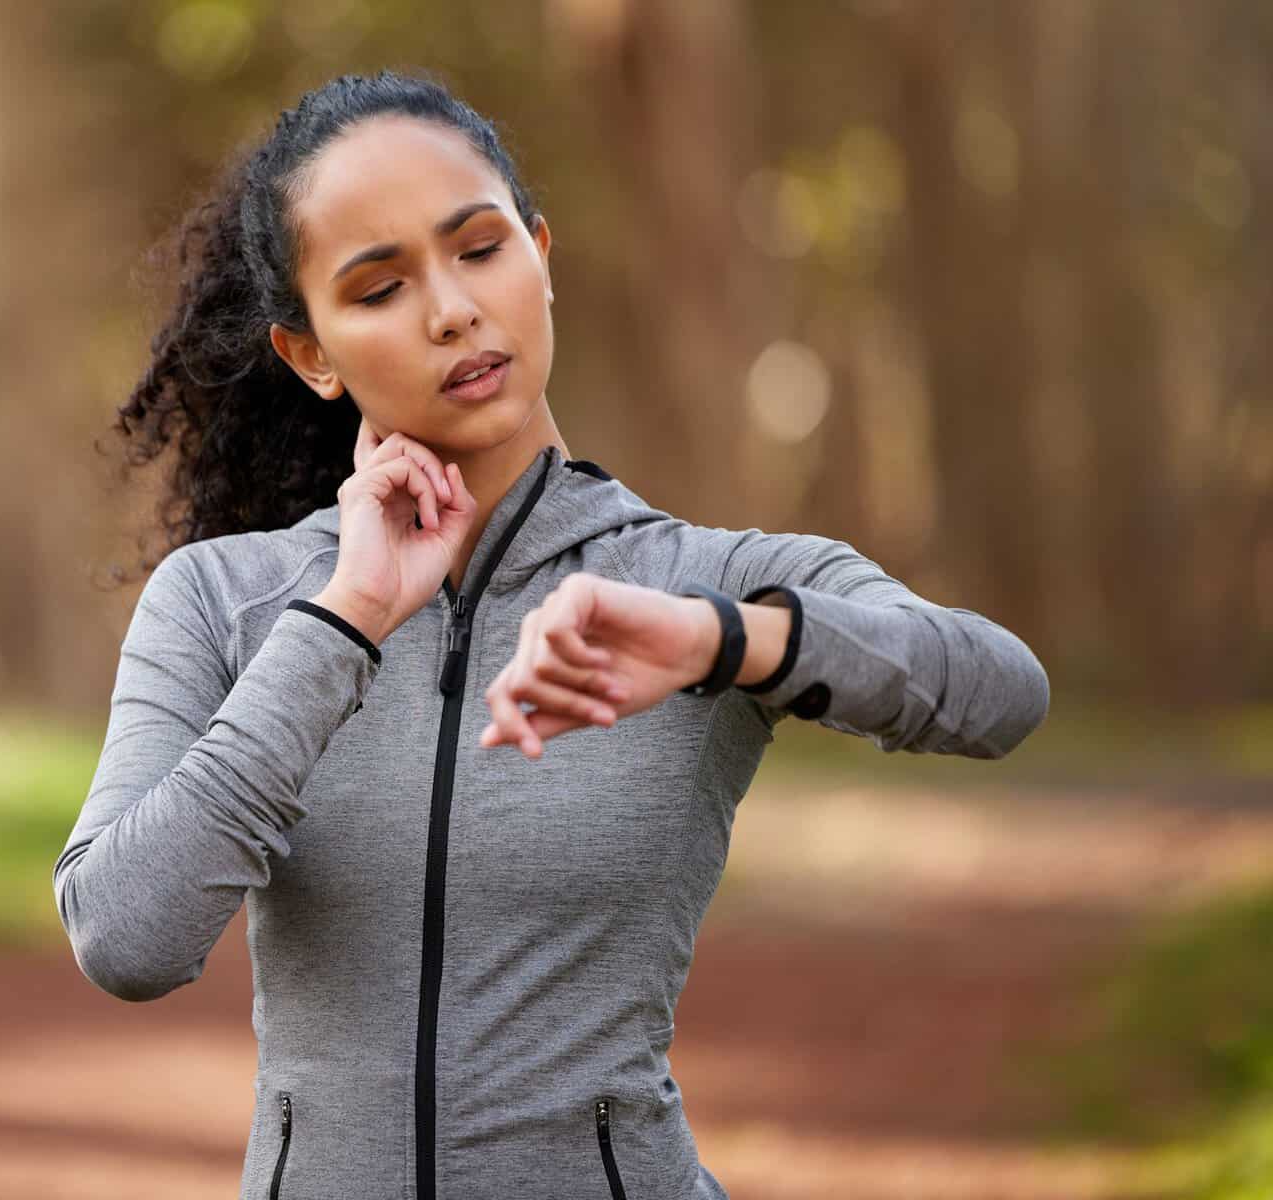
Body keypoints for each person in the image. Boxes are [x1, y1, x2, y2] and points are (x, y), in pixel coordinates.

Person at [52, 70, 1050, 1200]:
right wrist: (344, 617)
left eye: (477, 249)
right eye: (378, 287)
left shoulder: (697, 583)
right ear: (310, 354)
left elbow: (998, 692)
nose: (450, 310)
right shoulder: (221, 600)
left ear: (540, 253)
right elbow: (125, 938)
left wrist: (720, 644)